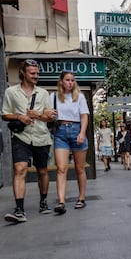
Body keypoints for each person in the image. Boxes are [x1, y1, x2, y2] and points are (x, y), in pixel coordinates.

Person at [1, 59, 56, 223]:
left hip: (41, 136)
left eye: (37, 73)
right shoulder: (11, 92)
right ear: (23, 73)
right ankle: (19, 210)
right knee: (20, 169)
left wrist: (37, 115)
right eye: (32, 73)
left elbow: (49, 118)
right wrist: (19, 116)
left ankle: (43, 202)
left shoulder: (43, 93)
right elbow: (4, 114)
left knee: (42, 172)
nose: (36, 76)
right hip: (21, 137)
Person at [51, 70, 90, 215]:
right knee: (61, 168)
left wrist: (82, 133)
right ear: (61, 81)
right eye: (67, 80)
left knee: (79, 168)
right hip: (60, 132)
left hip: (76, 130)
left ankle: (81, 198)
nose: (70, 83)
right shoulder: (53, 97)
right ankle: (61, 201)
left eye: (72, 80)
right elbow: (49, 115)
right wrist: (49, 114)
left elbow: (84, 117)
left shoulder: (79, 96)